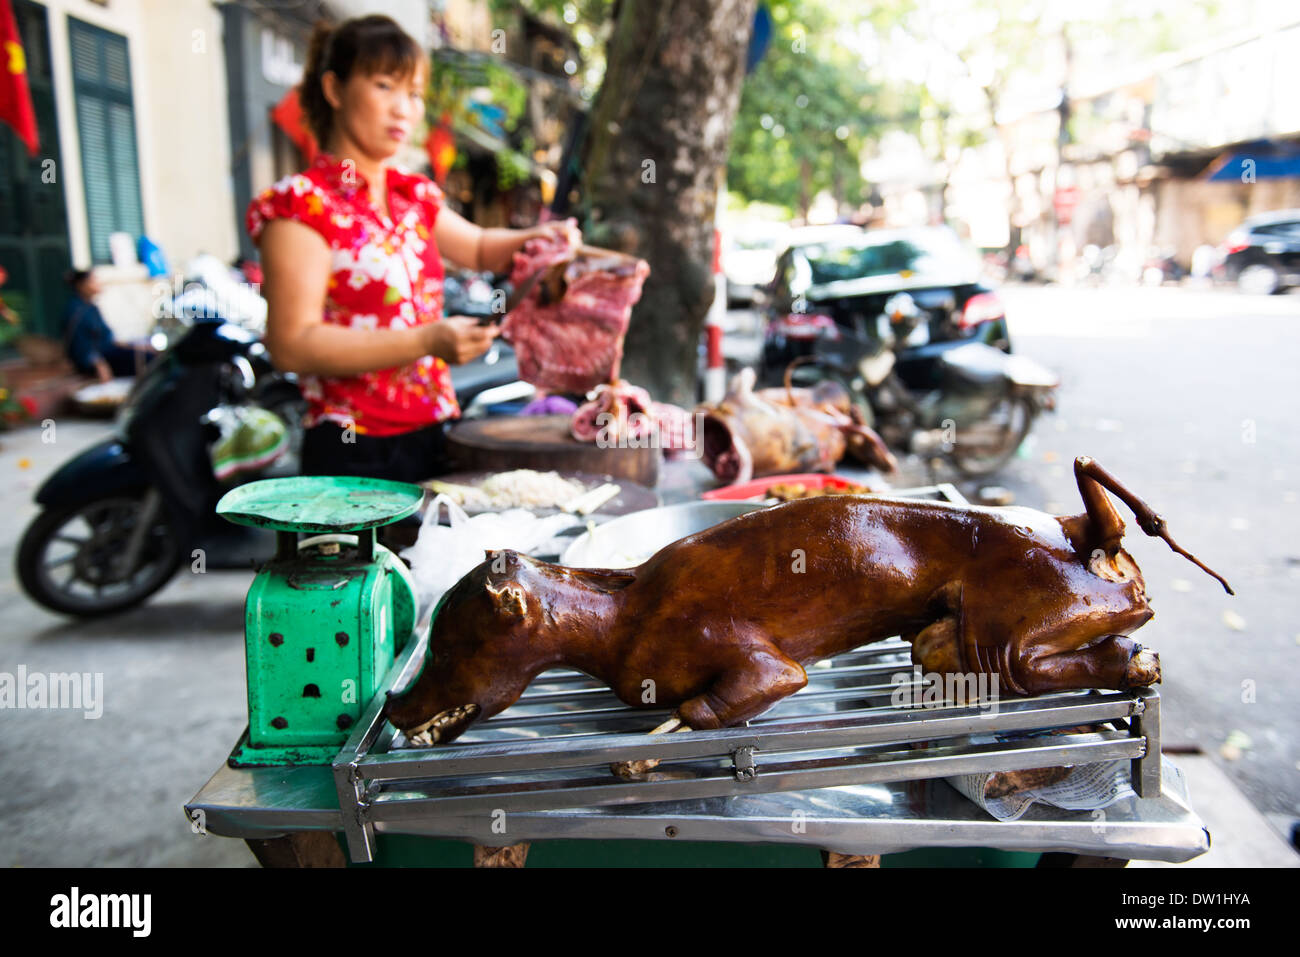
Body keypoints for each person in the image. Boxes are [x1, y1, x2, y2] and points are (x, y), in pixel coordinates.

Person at [248, 14, 580, 484]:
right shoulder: (302, 205)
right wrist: (427, 340)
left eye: (415, 94)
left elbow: (483, 248)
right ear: (335, 89)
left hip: (433, 431)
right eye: (385, 86)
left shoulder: (411, 197)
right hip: (353, 448)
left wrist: (542, 237)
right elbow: (292, 344)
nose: (404, 109)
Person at [61, 268, 153, 382]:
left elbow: (106, 337)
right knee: (149, 362)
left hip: (109, 353)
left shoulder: (91, 307)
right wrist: (97, 363)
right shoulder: (76, 311)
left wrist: (135, 346)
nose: (98, 283)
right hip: (98, 361)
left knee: (149, 356)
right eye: (93, 280)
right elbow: (79, 346)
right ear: (81, 286)